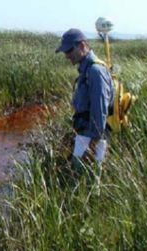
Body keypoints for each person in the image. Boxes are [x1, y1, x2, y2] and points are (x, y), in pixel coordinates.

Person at [55, 28, 114, 177]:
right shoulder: (86, 69)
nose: (67, 56)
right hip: (85, 133)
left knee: (89, 178)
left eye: (69, 50)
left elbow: (100, 109)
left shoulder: (95, 71)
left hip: (92, 136)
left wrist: (95, 140)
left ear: (82, 46)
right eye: (65, 52)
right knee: (80, 174)